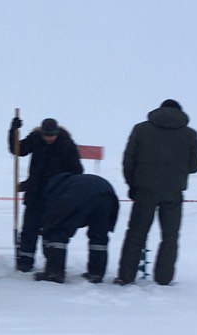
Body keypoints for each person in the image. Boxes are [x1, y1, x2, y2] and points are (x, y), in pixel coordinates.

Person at [115, 99, 197, 286]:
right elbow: (195, 166)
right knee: (170, 236)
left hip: (145, 189)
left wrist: (132, 184)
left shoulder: (140, 129)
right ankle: (164, 278)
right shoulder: (189, 134)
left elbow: (128, 160)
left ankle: (126, 276)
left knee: (136, 233)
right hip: (174, 192)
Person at [9, 116, 82, 272]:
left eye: (51, 135)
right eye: (46, 135)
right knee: (29, 228)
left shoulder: (67, 145)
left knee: (51, 230)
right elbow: (17, 149)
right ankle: (25, 261)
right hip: (35, 193)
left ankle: (52, 264)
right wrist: (13, 131)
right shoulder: (35, 139)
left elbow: (77, 171)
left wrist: (65, 188)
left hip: (56, 196)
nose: (48, 139)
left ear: (57, 133)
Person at [34, 172, 120, 283]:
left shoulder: (53, 192)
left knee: (58, 232)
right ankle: (96, 273)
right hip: (108, 195)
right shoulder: (68, 182)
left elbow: (57, 214)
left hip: (81, 195)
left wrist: (46, 227)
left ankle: (54, 273)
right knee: (99, 236)